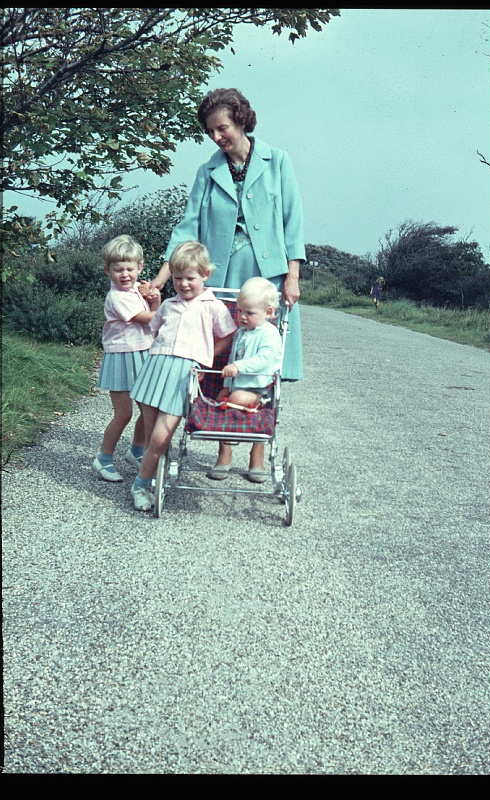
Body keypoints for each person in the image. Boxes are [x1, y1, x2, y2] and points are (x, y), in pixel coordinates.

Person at [142, 87, 305, 474]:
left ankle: (257, 454)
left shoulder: (278, 161)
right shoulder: (208, 172)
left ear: (241, 121)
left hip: (267, 276)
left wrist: (293, 277)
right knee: (222, 359)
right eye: (211, 132)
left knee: (262, 360)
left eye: (223, 128)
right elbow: (186, 232)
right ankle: (223, 452)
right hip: (221, 275)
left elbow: (293, 222)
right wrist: (162, 279)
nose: (217, 137)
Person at [129, 241, 237, 511]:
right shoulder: (169, 305)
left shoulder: (213, 305)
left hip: (184, 373)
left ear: (205, 276)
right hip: (156, 368)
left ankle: (142, 481)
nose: (184, 284)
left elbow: (228, 334)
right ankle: (147, 481)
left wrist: (205, 358)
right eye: (178, 278)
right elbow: (155, 329)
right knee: (152, 430)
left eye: (191, 278)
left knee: (160, 437)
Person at [93, 235, 161, 482]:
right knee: (123, 413)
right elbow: (149, 318)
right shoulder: (117, 297)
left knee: (149, 408)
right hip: (121, 356)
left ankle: (136, 450)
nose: (125, 275)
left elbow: (152, 313)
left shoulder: (135, 291)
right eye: (118, 269)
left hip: (143, 352)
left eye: (130, 269)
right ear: (107, 270)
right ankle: (103, 459)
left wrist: (154, 298)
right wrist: (172, 310)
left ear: (140, 267)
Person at [207, 277, 283, 483]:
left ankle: (256, 458)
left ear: (268, 312)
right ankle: (224, 455)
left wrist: (238, 367)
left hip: (259, 389)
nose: (242, 317)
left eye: (249, 313)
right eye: (240, 311)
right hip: (236, 387)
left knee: (236, 400)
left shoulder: (269, 333)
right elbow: (232, 361)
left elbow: (264, 359)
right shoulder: (241, 333)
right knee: (225, 400)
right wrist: (225, 385)